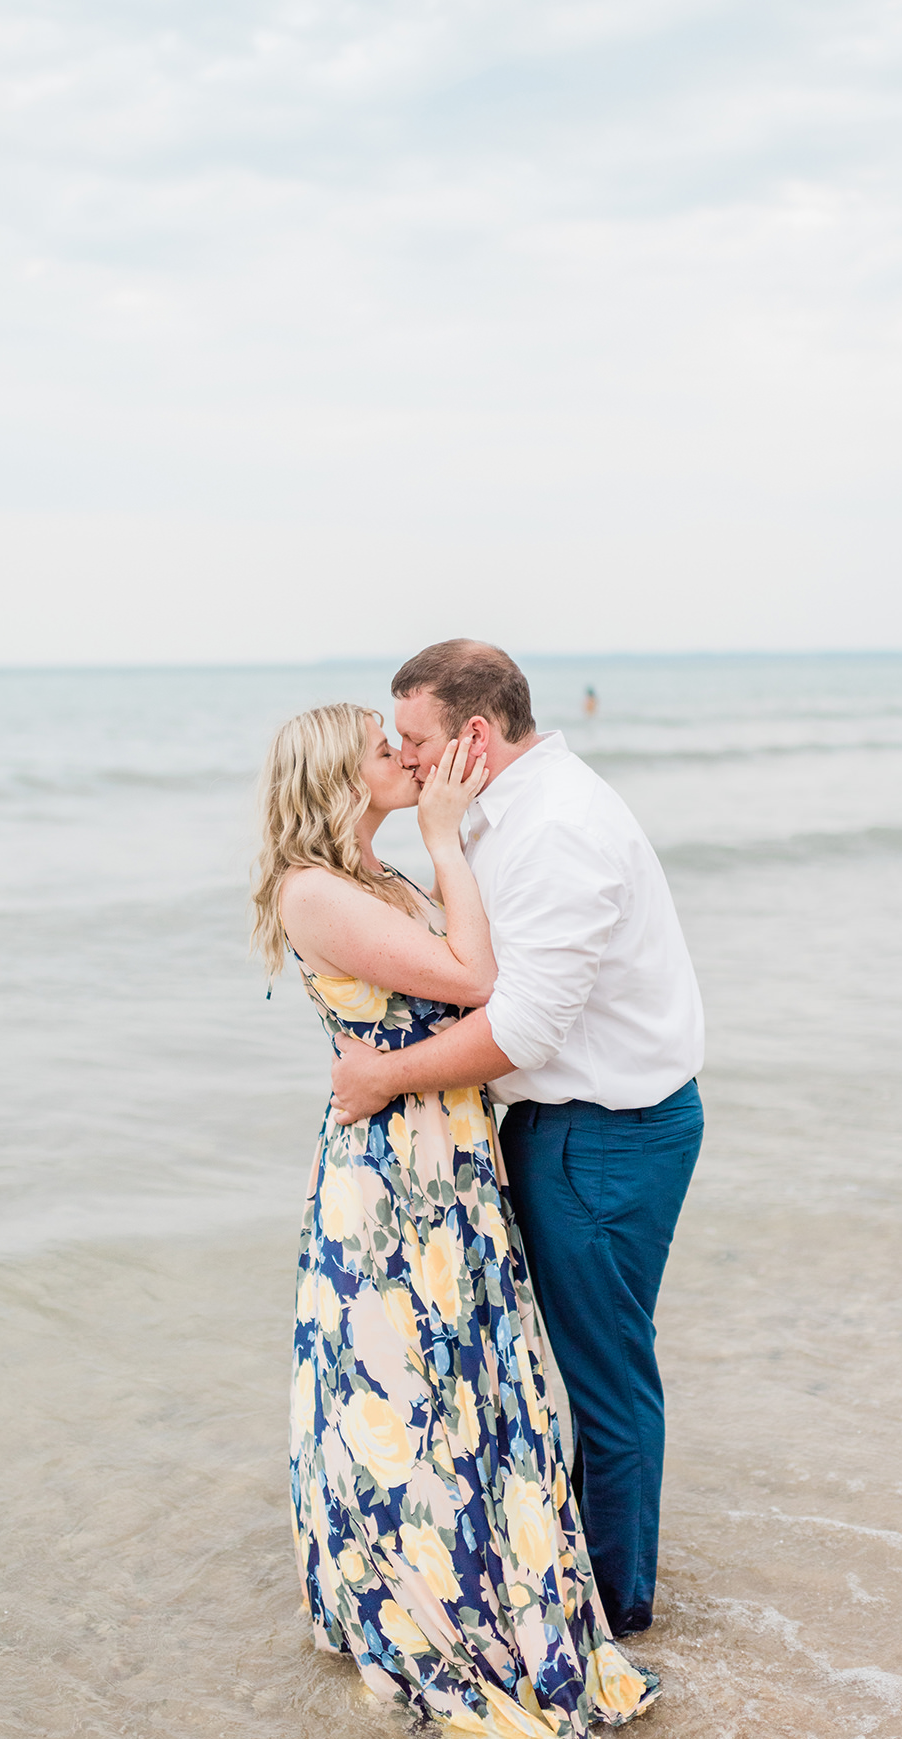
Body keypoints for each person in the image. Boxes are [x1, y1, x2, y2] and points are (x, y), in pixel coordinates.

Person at [251, 702, 658, 1739]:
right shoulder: (317, 890)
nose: (408, 759)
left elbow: (476, 972)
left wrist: (440, 850)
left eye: (406, 742)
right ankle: (424, 1602)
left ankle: (495, 1585)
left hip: (449, 1161)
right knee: (406, 1395)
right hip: (392, 1173)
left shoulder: (378, 880)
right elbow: (476, 982)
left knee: (471, 1380)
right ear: (339, 775)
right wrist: (444, 838)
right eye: (384, 751)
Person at [330, 642, 705, 1639]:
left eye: (414, 738)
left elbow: (525, 1029)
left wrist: (377, 1078)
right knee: (580, 1368)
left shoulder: (552, 830)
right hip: (585, 1127)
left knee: (606, 1379)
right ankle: (572, 1577)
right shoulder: (513, 815)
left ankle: (613, 1620)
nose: (406, 757)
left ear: (475, 734)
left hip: (601, 1137)